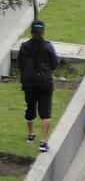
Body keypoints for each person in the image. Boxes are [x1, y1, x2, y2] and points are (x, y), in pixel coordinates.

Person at [19, 19, 59, 153]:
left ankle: (30, 135)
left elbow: (20, 65)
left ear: (31, 30)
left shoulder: (24, 46)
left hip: (29, 83)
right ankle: (43, 141)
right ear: (43, 31)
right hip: (45, 84)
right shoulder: (48, 46)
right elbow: (55, 64)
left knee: (30, 107)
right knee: (45, 112)